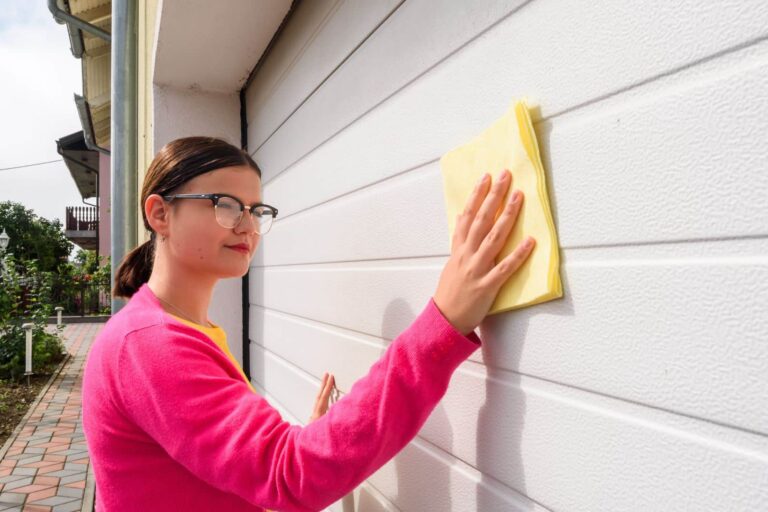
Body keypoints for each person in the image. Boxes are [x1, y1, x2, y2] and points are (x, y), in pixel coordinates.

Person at [81, 136, 535, 511]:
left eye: (257, 210)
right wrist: (444, 323)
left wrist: (310, 440)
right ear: (160, 213)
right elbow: (290, 477)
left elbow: (242, 476)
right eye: (225, 205)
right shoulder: (150, 344)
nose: (248, 227)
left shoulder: (181, 330)